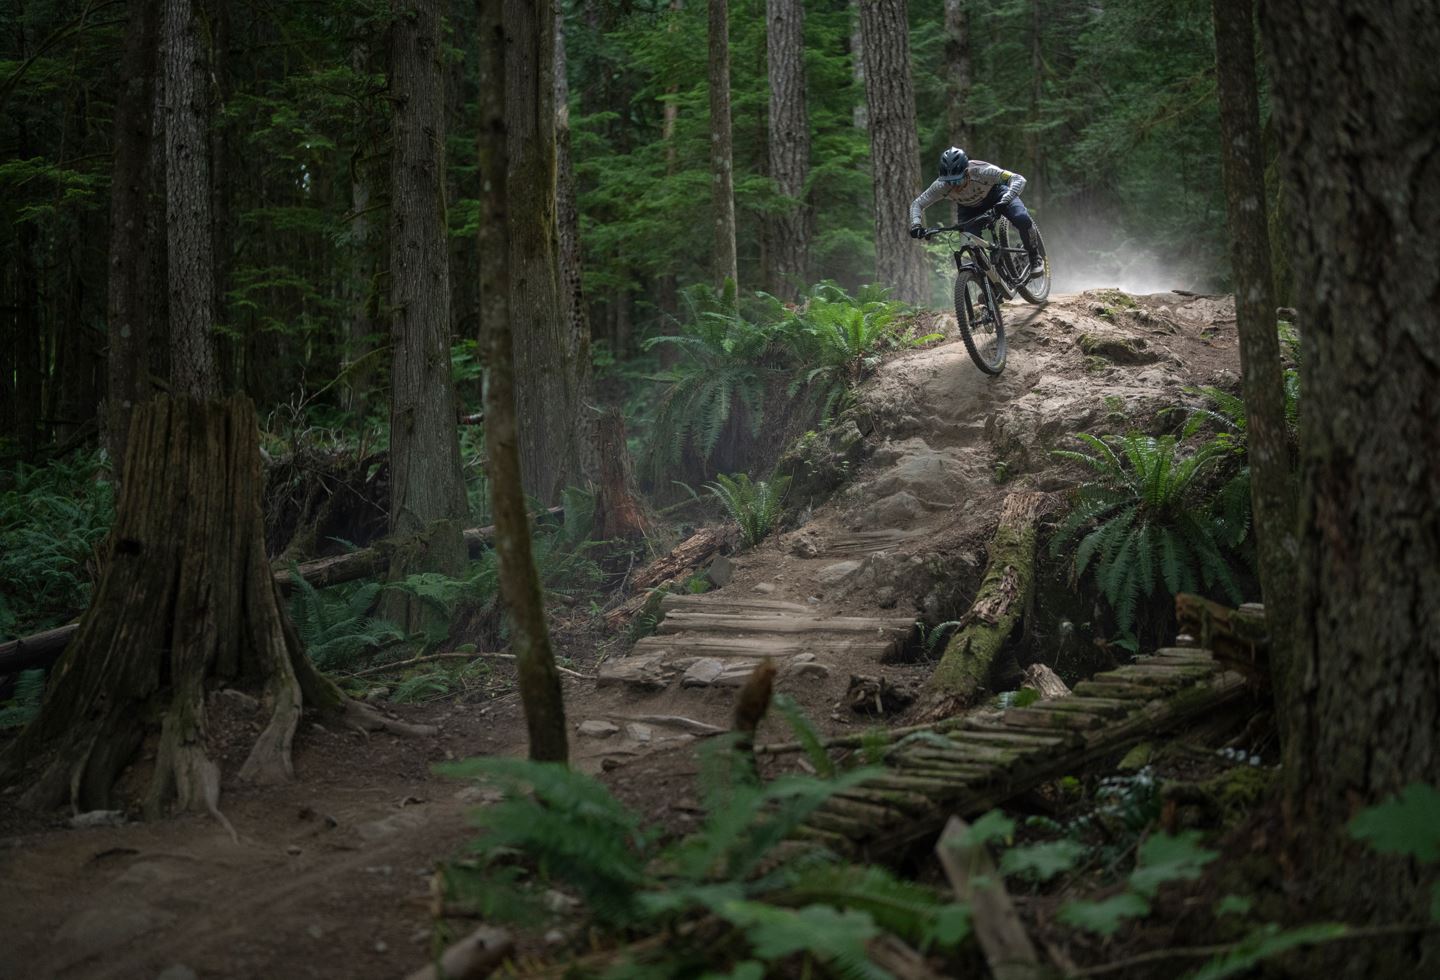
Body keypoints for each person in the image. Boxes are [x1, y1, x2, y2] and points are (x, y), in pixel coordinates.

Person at [908, 147, 1044, 279]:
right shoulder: (940, 186)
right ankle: (990, 285)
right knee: (970, 245)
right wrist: (916, 225)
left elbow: (1018, 179)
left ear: (967, 172)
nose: (954, 186)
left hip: (997, 196)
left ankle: (1034, 257)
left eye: (957, 180)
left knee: (1021, 218)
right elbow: (917, 204)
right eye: (949, 182)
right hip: (969, 208)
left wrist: (1006, 199)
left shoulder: (983, 171)